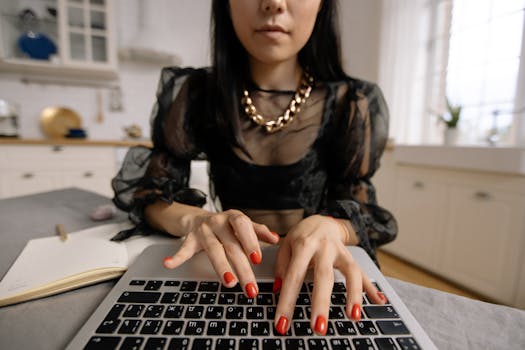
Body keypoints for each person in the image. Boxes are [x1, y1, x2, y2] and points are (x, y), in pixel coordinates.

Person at [112, 0, 397, 336]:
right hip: (225, 274)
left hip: (319, 279)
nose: (274, 3)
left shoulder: (354, 102)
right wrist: (198, 219)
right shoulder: (195, 93)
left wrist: (334, 227)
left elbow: (365, 212)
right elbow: (151, 193)